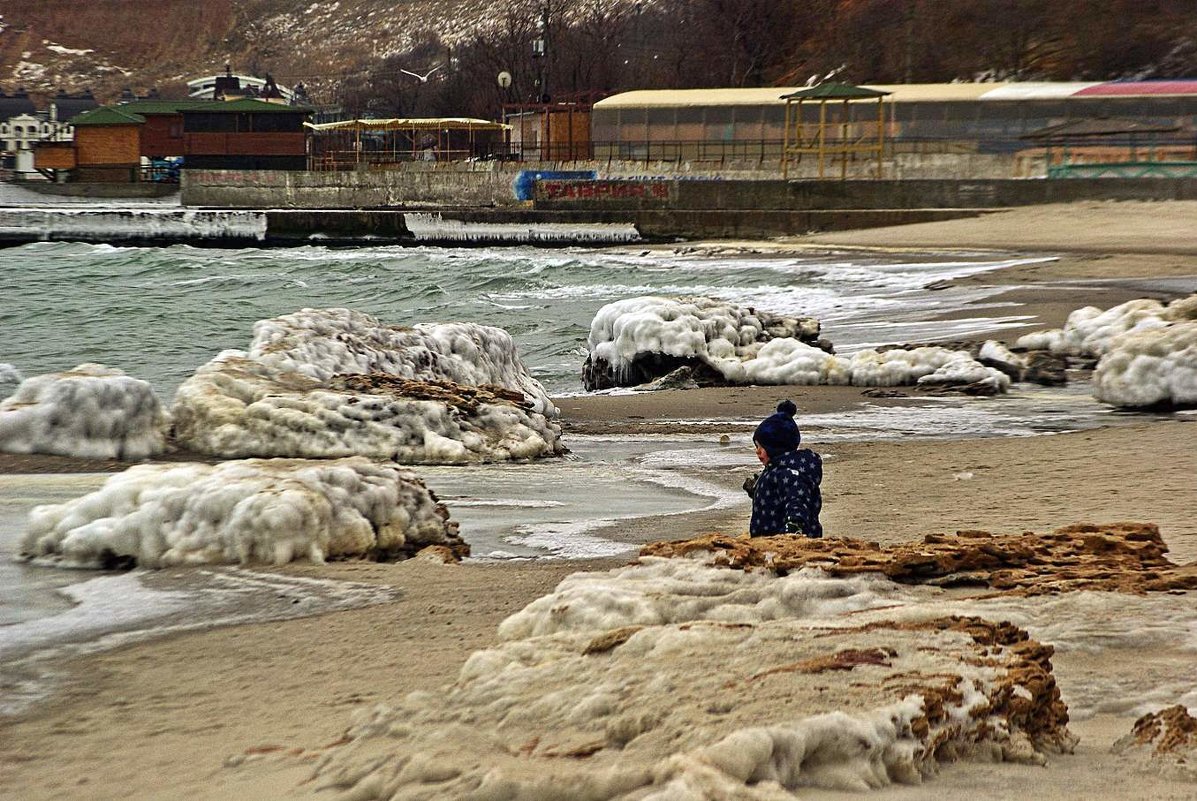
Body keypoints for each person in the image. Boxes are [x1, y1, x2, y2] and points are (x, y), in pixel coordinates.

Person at [745, 400, 823, 537]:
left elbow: (796, 500)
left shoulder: (790, 474)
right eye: (756, 447)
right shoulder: (775, 469)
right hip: (767, 538)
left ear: (775, 447)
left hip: (785, 539)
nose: (757, 452)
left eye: (761, 447)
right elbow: (775, 498)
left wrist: (794, 525)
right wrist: (756, 490)